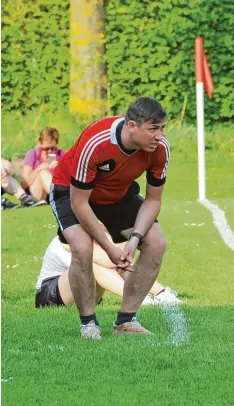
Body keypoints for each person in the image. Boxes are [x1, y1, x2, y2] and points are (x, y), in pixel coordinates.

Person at [50, 96, 170, 339]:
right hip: (72, 192)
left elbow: (153, 200)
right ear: (132, 126)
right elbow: (79, 202)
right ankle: (88, 324)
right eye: (153, 129)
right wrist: (109, 248)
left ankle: (126, 320)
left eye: (162, 128)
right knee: (82, 247)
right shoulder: (97, 141)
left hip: (117, 193)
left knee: (156, 242)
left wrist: (134, 239)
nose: (159, 136)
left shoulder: (160, 149)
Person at [35, 233, 182, 308]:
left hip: (81, 293)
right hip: (49, 294)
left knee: (115, 263)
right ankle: (139, 299)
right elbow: (109, 261)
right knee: (92, 265)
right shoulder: (69, 239)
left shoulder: (98, 237)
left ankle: (162, 293)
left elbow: (120, 260)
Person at [21, 127, 65, 202]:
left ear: (57, 144)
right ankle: (60, 197)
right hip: (37, 193)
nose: (50, 151)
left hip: (54, 190)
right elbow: (24, 184)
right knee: (43, 172)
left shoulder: (61, 154)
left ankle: (59, 197)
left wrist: (60, 168)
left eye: (53, 148)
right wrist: (39, 169)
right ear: (41, 144)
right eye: (46, 149)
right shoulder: (33, 154)